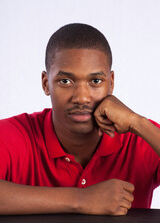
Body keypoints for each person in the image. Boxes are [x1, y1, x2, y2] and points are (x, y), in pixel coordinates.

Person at [0, 23, 160, 216]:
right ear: (46, 84)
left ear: (111, 83)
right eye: (65, 81)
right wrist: (81, 199)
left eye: (95, 81)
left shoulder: (142, 138)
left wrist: (138, 122)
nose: (82, 97)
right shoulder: (16, 135)